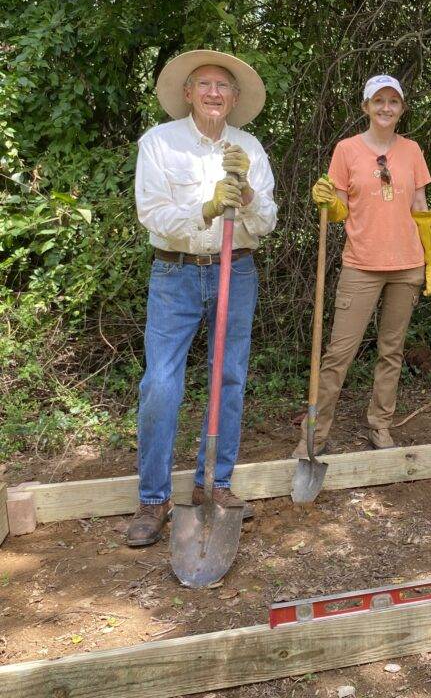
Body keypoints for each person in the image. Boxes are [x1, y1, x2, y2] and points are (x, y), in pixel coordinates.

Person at [127, 50, 278, 546]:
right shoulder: (160, 143)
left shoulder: (249, 147)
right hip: (176, 273)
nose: (215, 93)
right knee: (161, 382)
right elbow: (152, 213)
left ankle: (215, 483)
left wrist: (248, 197)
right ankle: (153, 499)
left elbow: (268, 221)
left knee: (229, 376)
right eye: (205, 84)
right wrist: (208, 207)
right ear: (188, 92)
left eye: (224, 86)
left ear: (235, 99)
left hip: (238, 270)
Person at [292, 74, 431, 454]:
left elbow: (420, 208)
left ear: (402, 109)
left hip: (407, 266)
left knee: (392, 351)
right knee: (338, 354)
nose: (386, 108)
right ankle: (316, 435)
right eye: (379, 101)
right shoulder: (346, 150)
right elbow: (339, 212)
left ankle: (381, 425)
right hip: (360, 264)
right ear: (366, 107)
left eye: (393, 101)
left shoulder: (412, 151)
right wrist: (328, 201)